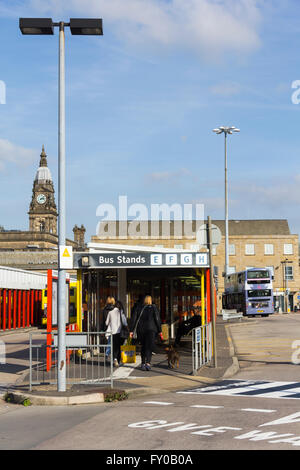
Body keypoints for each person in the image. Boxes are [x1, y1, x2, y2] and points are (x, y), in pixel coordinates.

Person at [129, 295, 163, 371]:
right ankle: (148, 363)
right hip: (151, 330)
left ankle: (143, 363)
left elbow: (134, 319)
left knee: (143, 346)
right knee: (149, 346)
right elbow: (157, 319)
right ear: (151, 300)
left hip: (141, 330)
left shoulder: (139, 308)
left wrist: (131, 330)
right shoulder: (154, 308)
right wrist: (160, 330)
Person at [105, 299, 128, 367]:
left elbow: (106, 323)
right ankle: (117, 360)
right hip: (120, 333)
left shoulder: (110, 312)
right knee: (119, 347)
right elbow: (124, 322)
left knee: (114, 347)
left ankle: (114, 359)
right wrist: (128, 329)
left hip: (112, 332)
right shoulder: (121, 312)